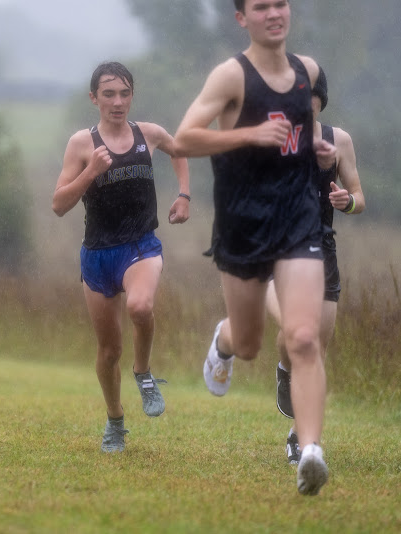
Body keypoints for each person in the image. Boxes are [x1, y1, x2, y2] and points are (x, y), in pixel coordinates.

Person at [173, 0, 337, 495]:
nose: (274, 13)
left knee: (304, 337)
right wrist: (250, 134)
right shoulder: (231, 76)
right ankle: (223, 342)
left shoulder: (308, 71)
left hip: (298, 219)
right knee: (249, 345)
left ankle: (310, 451)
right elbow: (183, 139)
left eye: (281, 3)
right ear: (242, 18)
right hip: (243, 222)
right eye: (261, 6)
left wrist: (318, 151)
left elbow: (299, 138)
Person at [52, 61, 190, 453]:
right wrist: (89, 172)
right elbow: (59, 204)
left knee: (141, 307)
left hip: (141, 245)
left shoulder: (148, 134)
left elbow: (177, 149)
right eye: (108, 94)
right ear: (93, 98)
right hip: (97, 255)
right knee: (108, 350)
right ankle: (115, 421)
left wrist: (184, 194)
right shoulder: (82, 144)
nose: (118, 102)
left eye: (124, 93)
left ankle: (143, 372)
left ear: (133, 95)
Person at [265, 68, 365, 464]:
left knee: (317, 347)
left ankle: (300, 439)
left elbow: (359, 195)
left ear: (320, 100)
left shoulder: (338, 140)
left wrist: (348, 201)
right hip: (280, 249)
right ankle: (284, 366)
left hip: (323, 250)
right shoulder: (271, 138)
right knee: (296, 334)